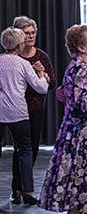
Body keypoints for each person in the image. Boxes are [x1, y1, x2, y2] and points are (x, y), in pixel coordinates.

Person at [38, 24, 87, 213]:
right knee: (81, 188)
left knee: (79, 189)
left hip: (79, 133)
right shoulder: (81, 69)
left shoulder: (80, 67)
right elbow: (83, 104)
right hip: (83, 137)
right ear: (81, 47)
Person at [0, 27, 49, 205]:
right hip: (18, 112)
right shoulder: (23, 64)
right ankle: (27, 192)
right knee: (25, 151)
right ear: (19, 45)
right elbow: (41, 88)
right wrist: (42, 74)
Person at [10, 15, 56, 204]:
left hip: (36, 108)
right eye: (26, 33)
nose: (30, 36)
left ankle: (23, 188)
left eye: (32, 33)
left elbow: (52, 82)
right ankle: (17, 189)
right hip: (14, 108)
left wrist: (41, 73)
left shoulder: (41, 56)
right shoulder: (11, 58)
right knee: (19, 150)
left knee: (32, 149)